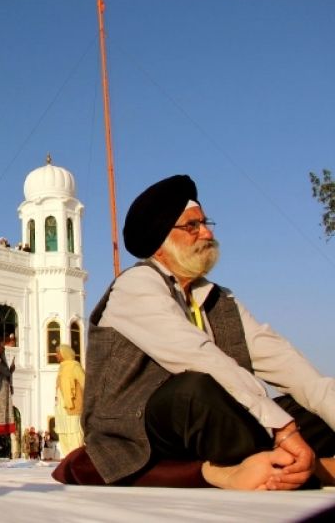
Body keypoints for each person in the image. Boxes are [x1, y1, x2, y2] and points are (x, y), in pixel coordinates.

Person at [83, 174, 335, 490]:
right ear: (161, 242)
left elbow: (283, 360)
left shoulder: (217, 298)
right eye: (192, 226)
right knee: (195, 389)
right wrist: (283, 429)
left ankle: (280, 465)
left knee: (311, 403)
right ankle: (313, 467)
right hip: (140, 431)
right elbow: (198, 356)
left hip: (220, 425)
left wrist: (293, 419)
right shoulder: (136, 286)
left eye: (205, 223)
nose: (207, 233)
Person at [54, 344, 85, 457]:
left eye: (58, 353)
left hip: (73, 405)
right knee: (63, 432)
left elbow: (85, 383)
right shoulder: (61, 368)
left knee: (74, 431)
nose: (56, 355)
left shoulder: (75, 366)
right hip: (61, 406)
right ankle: (67, 458)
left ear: (64, 353)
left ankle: (76, 457)